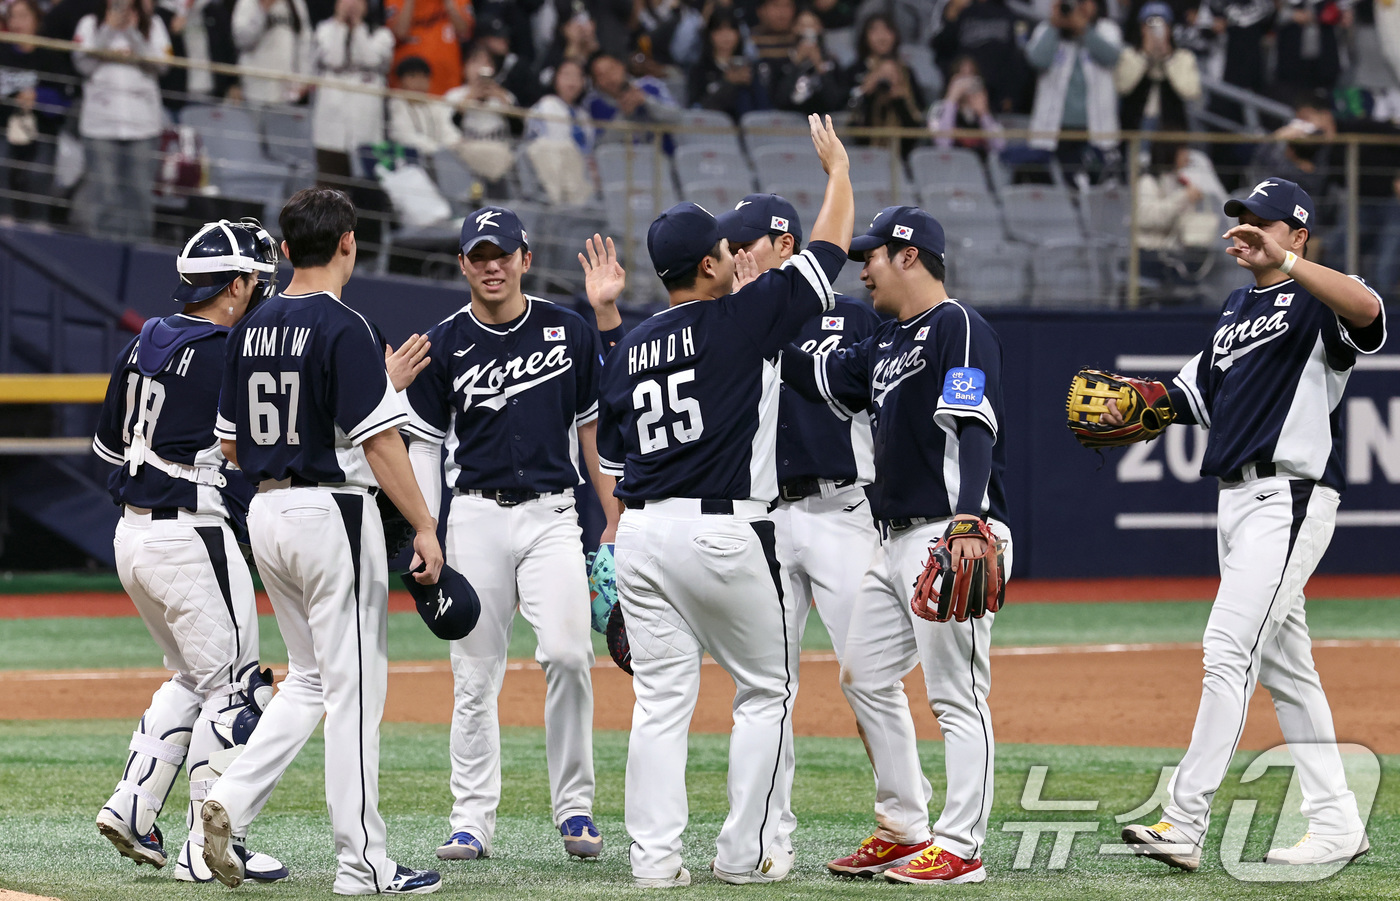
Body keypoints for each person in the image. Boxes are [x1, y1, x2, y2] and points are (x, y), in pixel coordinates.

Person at [593, 113, 852, 887]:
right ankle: (743, 855)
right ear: (711, 263)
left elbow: (609, 454)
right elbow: (831, 250)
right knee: (766, 689)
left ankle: (654, 861)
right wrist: (838, 173)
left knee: (661, 703)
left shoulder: (631, 343)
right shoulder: (742, 317)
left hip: (640, 532)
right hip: (721, 530)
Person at [1115, 177, 1383, 872]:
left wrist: (1294, 266)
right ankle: (1336, 822)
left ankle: (1186, 817)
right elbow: (1189, 391)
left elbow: (1372, 311)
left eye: (1262, 221)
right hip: (1235, 502)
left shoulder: (1318, 297)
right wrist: (1140, 405)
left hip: (1289, 498)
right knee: (1288, 669)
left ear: (1297, 234)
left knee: (1227, 648)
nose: (1246, 229)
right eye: (1240, 218)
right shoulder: (1236, 308)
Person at [199, 187, 445, 895]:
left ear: (282, 251)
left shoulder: (247, 326)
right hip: (331, 512)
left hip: (267, 512)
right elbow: (381, 442)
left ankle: (231, 797)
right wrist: (425, 525)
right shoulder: (346, 325)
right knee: (356, 690)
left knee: (307, 680)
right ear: (348, 243)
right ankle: (362, 862)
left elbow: (230, 445)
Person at [779, 205, 1010, 886]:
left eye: (872, 256)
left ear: (909, 255)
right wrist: (747, 326)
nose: (863, 269)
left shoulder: (957, 326)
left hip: (950, 531)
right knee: (864, 674)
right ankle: (905, 826)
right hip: (889, 539)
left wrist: (970, 521)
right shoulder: (883, 341)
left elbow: (974, 427)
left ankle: (962, 845)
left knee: (956, 695)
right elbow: (808, 375)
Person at [397, 206, 611, 864]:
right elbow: (425, 449)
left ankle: (574, 806)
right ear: (462, 263)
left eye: (503, 253)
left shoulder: (566, 329)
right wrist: (425, 528)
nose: (492, 265)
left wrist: (615, 520)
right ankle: (471, 819)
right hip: (475, 516)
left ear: (523, 258)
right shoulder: (444, 342)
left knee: (570, 655)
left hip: (552, 514)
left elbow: (592, 432)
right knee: (473, 675)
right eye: (478, 255)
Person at [91, 219, 288, 886]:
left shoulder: (143, 340)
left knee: (189, 677)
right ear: (236, 284)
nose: (261, 291)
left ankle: (131, 805)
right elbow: (250, 452)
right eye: (256, 281)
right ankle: (205, 847)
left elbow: (107, 451)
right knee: (236, 687)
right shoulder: (228, 351)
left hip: (131, 534)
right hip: (191, 531)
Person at [716, 191, 881, 859]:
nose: (733, 258)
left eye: (744, 244)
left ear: (786, 246)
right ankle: (763, 837)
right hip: (766, 521)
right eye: (727, 249)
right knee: (765, 686)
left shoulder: (855, 318)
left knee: (869, 674)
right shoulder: (726, 326)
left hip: (845, 510)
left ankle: (901, 823)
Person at [71, 0, 171, 239]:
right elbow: (82, 64)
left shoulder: (153, 24)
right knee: (104, 193)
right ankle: (102, 253)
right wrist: (108, 31)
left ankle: (138, 255)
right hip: (100, 125)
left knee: (139, 194)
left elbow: (164, 65)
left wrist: (134, 35)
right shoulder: (90, 24)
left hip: (143, 126)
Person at [1024, 0, 1122, 184]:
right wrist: (1055, 25)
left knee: (1096, 192)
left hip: (1096, 131)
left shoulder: (1107, 29)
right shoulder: (1046, 29)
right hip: (1053, 130)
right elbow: (1037, 60)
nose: (1076, 8)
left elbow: (1112, 57)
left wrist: (1084, 29)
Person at [311, 0, 395, 186]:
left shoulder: (381, 34)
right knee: (329, 188)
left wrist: (357, 28)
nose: (351, 4)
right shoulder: (324, 30)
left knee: (366, 190)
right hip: (330, 129)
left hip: (366, 129)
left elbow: (370, 59)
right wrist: (340, 25)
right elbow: (334, 58)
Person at [846, 13, 927, 159]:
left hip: (901, 154)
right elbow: (848, 111)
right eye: (874, 31)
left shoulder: (906, 72)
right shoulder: (855, 70)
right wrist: (869, 86)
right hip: (862, 153)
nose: (881, 36)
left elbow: (917, 122)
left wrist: (899, 98)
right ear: (865, 37)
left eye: (887, 30)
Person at [932, 0, 1031, 114]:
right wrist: (950, 15)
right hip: (963, 96)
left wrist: (1011, 95)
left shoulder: (1016, 18)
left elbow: (1020, 60)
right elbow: (942, 50)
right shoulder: (961, 12)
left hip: (998, 98)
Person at [1115, 2, 1201, 133]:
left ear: (1169, 28)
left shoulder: (1184, 57)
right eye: (1150, 25)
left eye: (1161, 24)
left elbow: (1191, 92)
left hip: (1171, 130)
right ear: (1142, 28)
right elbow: (1122, 87)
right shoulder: (1130, 55)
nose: (1155, 30)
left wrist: (1168, 58)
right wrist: (1145, 56)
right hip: (1134, 128)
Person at [525, 58, 595, 206]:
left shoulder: (585, 117)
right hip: (550, 172)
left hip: (578, 175)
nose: (573, 81)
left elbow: (588, 151)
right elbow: (534, 143)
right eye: (566, 75)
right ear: (554, 78)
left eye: (578, 76)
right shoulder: (544, 106)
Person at [443, 42, 517, 182]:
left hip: (501, 160)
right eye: (475, 62)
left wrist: (502, 100)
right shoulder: (454, 96)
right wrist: (469, 99)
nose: (481, 68)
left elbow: (519, 131)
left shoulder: (505, 97)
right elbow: (447, 129)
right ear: (465, 67)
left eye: (487, 62)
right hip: (462, 161)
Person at [584, 50, 681, 147]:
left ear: (622, 67)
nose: (610, 77)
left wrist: (646, 100)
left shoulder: (650, 85)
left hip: (660, 156)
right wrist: (623, 114)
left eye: (612, 69)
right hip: (619, 159)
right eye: (601, 75)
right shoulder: (594, 104)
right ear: (596, 82)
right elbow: (600, 146)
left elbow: (677, 118)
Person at [687, 8, 768, 121]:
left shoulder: (750, 68)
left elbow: (764, 107)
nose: (725, 36)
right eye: (719, 30)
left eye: (731, 30)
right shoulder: (699, 70)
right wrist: (727, 83)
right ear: (710, 34)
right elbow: (697, 109)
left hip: (750, 131)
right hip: (712, 131)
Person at [231, 0, 311, 104]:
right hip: (254, 88)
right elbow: (241, 40)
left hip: (286, 89)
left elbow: (305, 42)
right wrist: (262, 10)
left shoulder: (296, 3)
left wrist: (303, 79)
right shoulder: (248, 2)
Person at [772, 7, 848, 116]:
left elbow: (835, 102)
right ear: (794, 28)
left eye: (812, 25)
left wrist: (819, 65)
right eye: (802, 25)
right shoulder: (782, 62)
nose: (807, 30)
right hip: (790, 122)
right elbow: (780, 100)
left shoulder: (832, 62)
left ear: (820, 28)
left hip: (824, 120)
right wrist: (796, 63)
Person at [384, 0, 470, 95]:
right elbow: (400, 32)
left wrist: (449, 3)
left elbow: (464, 30)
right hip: (408, 86)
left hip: (447, 82)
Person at [386, 56, 464, 159]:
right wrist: (438, 149)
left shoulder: (435, 104)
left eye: (424, 76)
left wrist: (454, 145)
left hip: (440, 159)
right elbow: (404, 136)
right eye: (413, 76)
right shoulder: (396, 104)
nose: (419, 81)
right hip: (407, 160)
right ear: (400, 81)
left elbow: (448, 131)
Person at [929, 61, 1005, 160]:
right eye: (962, 76)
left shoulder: (985, 113)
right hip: (950, 166)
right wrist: (951, 100)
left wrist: (984, 114)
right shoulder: (939, 108)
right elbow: (943, 144)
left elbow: (1000, 147)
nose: (967, 83)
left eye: (971, 75)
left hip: (979, 168)